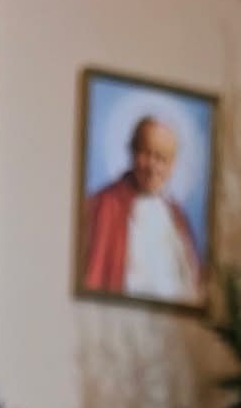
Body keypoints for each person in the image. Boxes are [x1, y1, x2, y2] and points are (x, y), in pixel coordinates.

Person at [81, 114, 203, 304]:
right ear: (132, 152)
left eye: (162, 158)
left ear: (173, 165)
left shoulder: (177, 216)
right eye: (146, 154)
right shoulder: (105, 204)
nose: (153, 167)